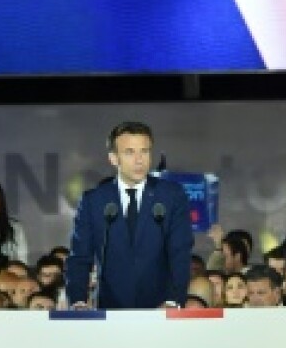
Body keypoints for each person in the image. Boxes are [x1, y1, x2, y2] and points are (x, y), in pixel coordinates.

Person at [64, 121, 193, 311]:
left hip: (161, 311)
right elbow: (79, 257)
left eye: (145, 151)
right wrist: (78, 302)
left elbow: (180, 253)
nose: (139, 160)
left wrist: (173, 301)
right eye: (130, 152)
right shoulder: (94, 201)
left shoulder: (171, 196)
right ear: (114, 158)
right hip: (109, 311)